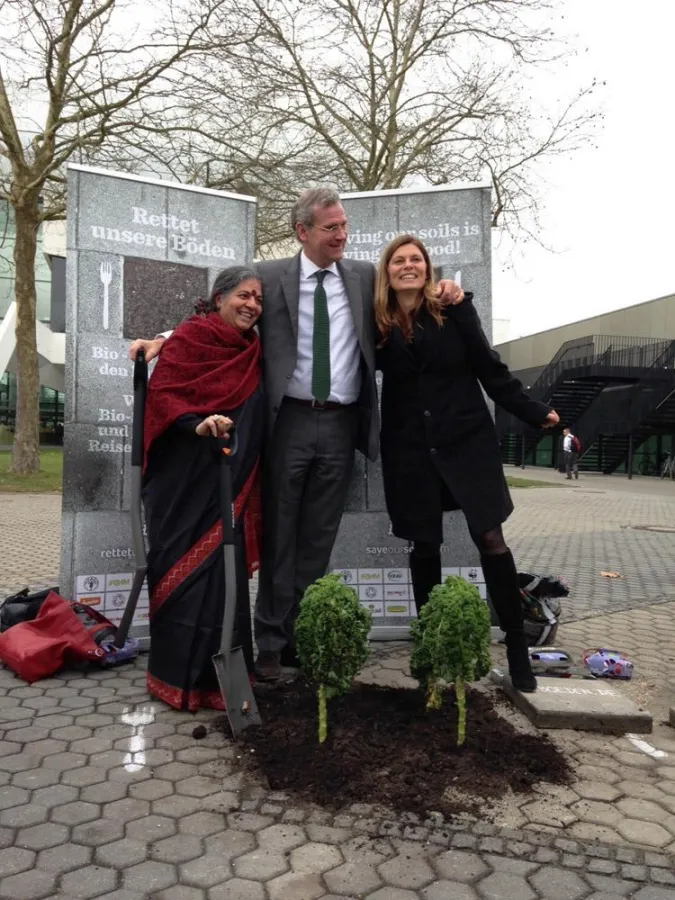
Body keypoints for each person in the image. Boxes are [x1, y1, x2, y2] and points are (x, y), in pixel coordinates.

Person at [130, 188, 464, 683]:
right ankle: (269, 642)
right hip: (286, 423)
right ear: (302, 231)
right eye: (331, 228)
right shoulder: (267, 277)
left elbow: (408, 295)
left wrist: (448, 291)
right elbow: (216, 313)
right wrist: (165, 340)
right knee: (280, 535)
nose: (343, 236)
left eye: (345, 226)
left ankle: (301, 637)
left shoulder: (364, 277)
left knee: (318, 541)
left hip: (342, 424)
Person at [375, 235, 559, 692]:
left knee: (491, 539)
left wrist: (534, 411)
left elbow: (489, 369)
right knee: (424, 546)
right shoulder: (377, 325)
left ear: (428, 267)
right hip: (411, 453)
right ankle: (433, 652)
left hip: (466, 444)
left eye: (416, 259)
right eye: (399, 261)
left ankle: (518, 651)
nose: (408, 266)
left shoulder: (454, 312)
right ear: (388, 272)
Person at [141, 266, 264, 710]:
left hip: (228, 481)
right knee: (183, 580)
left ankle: (223, 686)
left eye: (258, 299)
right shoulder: (190, 340)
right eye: (243, 296)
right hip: (182, 484)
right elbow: (165, 396)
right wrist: (198, 424)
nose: (252, 305)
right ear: (218, 299)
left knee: (225, 582)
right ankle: (175, 681)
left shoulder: (252, 349)